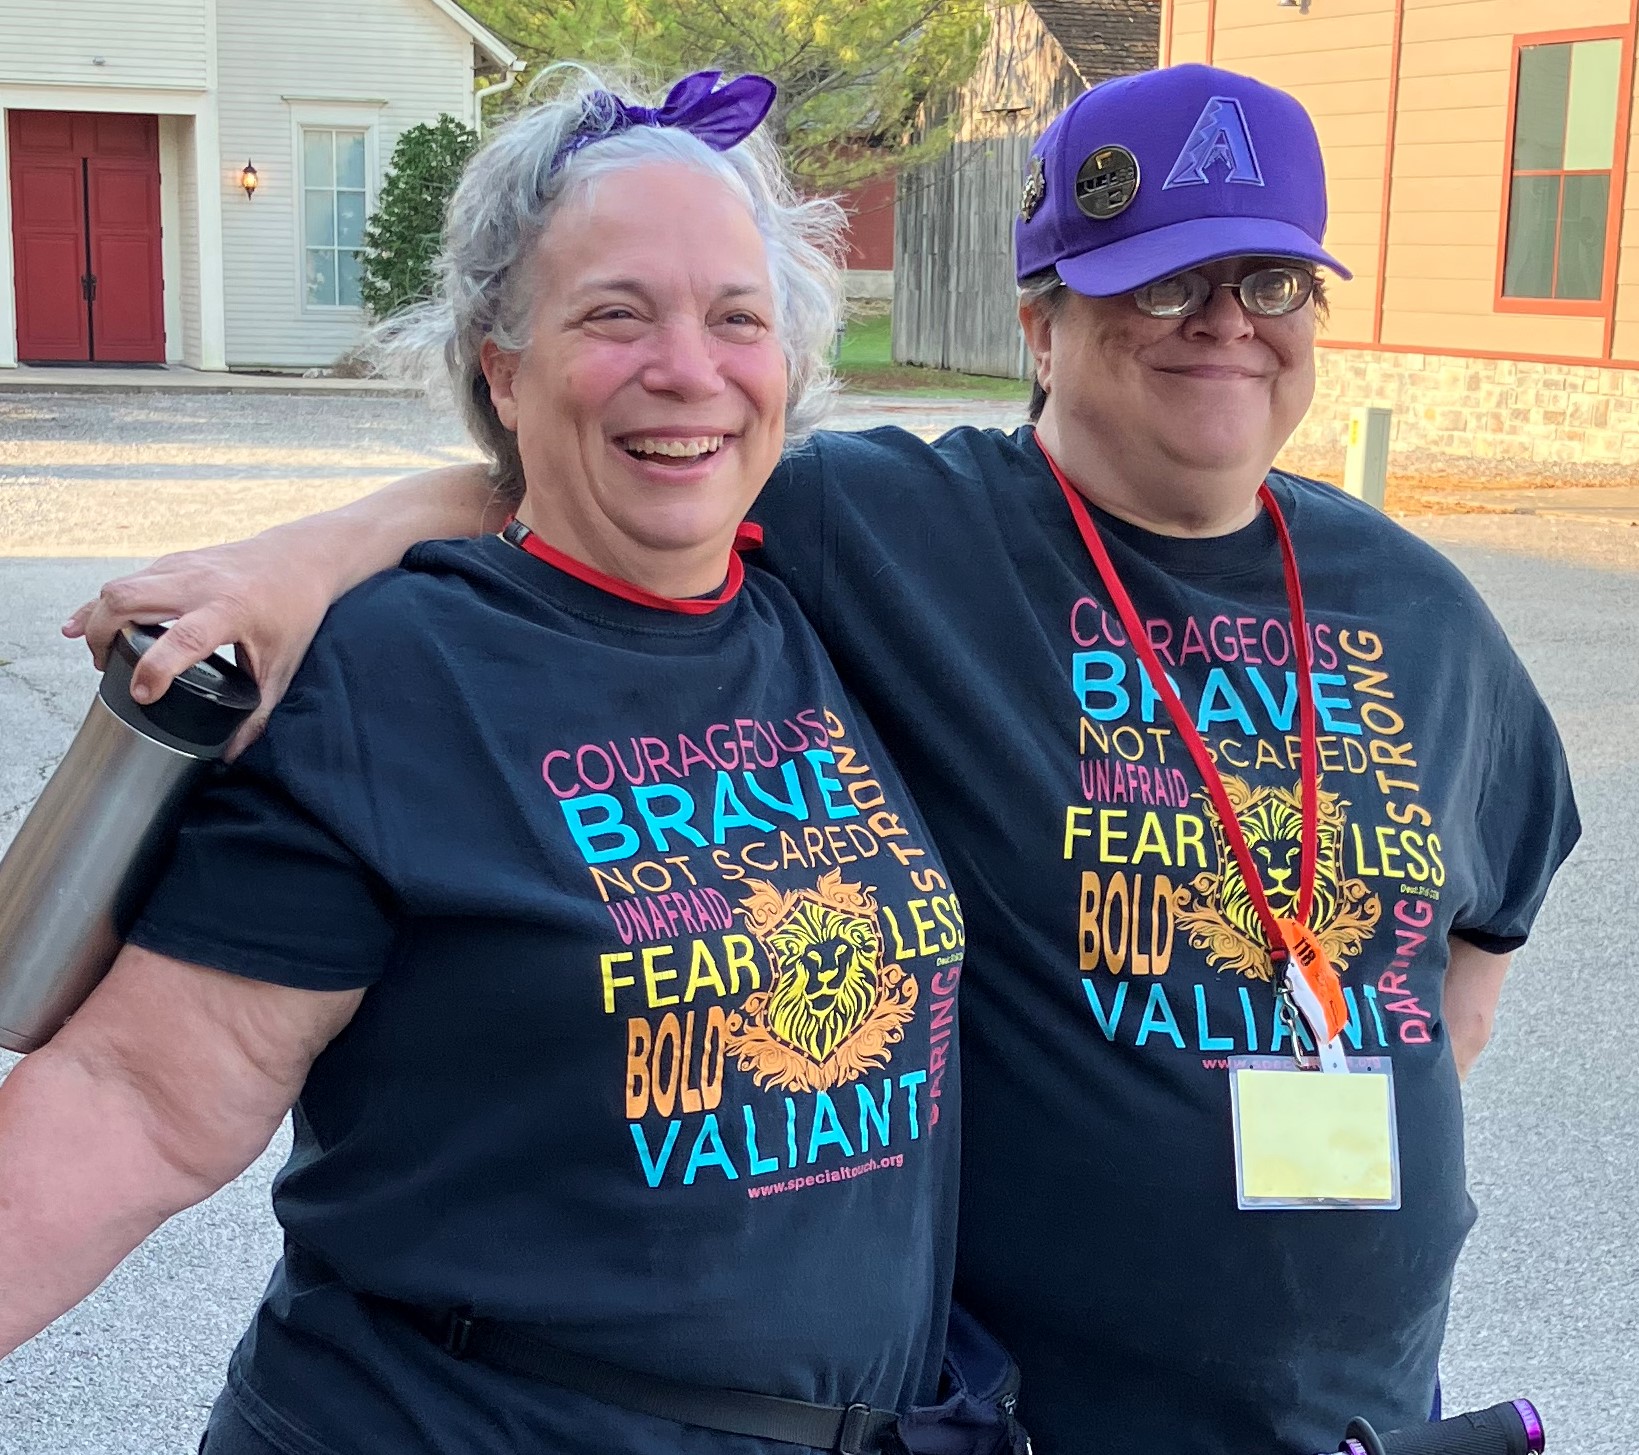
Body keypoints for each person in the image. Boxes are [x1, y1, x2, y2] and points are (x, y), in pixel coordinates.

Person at [65, 63, 1579, 1455]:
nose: (1224, 319)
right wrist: (297, 560)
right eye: (1161, 279)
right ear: (1040, 321)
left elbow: (1458, 976)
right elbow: (614, 456)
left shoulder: (1421, 611)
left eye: (1267, 278)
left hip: (1362, 1408)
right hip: (1051, 1406)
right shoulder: (892, 530)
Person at [0, 68, 987, 1455]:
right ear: (502, 368)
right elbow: (142, 1101)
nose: (689, 368)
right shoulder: (400, 676)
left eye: (736, 318)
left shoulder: (841, 603)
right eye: (614, 315)